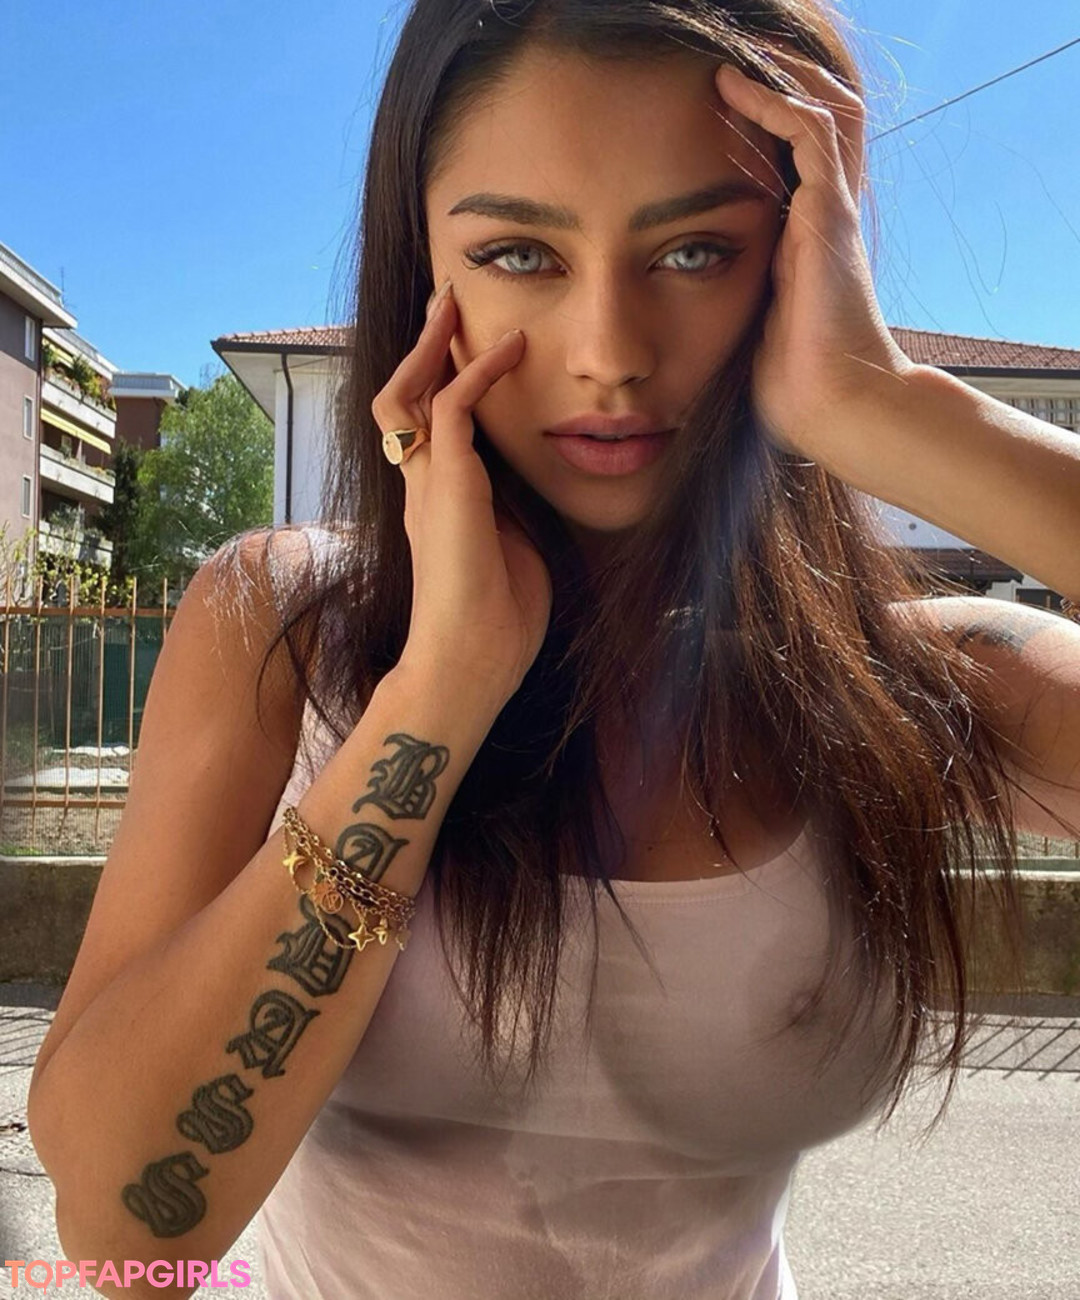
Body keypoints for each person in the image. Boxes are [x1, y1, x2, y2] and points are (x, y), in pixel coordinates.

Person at [27, 1, 1080, 1297]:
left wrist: (883, 405)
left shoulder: (913, 688)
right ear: (425, 269)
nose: (610, 356)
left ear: (794, 256)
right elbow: (127, 1227)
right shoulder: (286, 632)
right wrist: (437, 692)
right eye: (520, 253)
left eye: (695, 250)